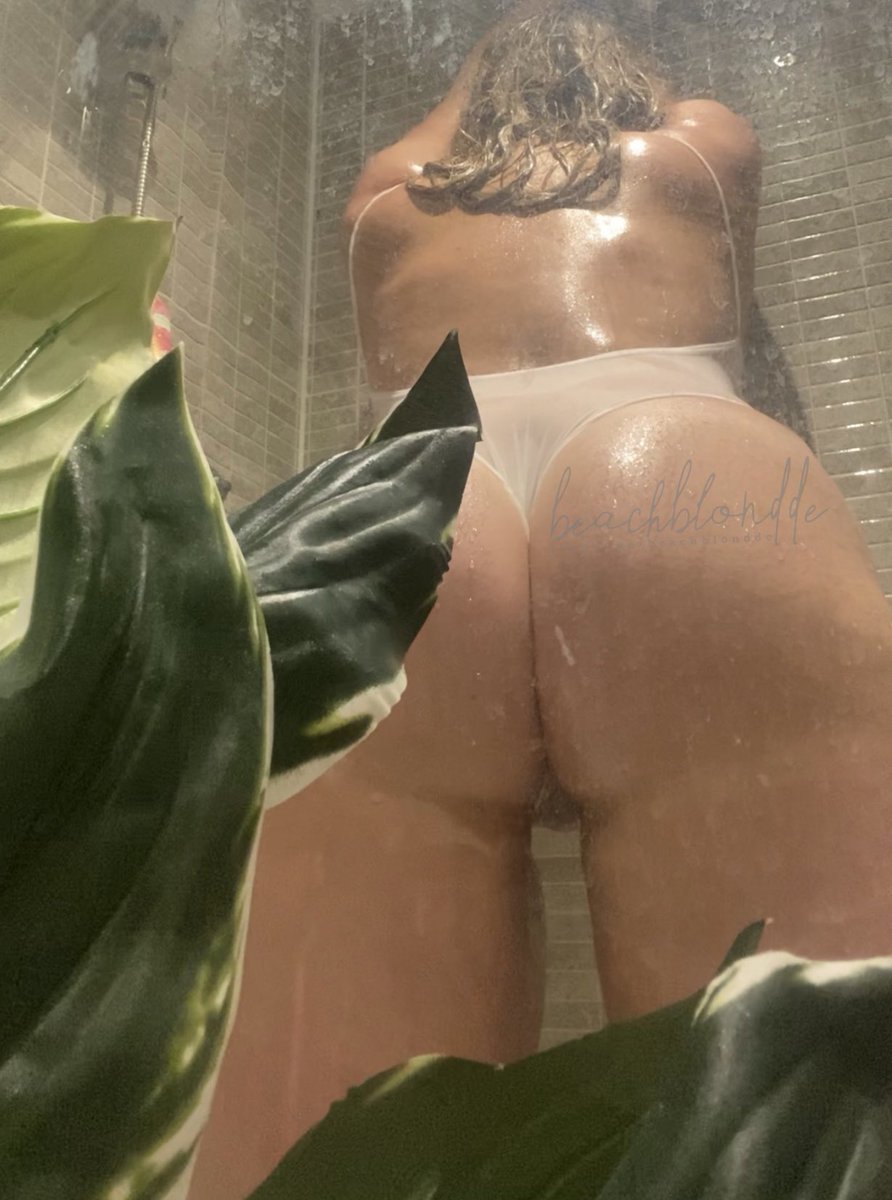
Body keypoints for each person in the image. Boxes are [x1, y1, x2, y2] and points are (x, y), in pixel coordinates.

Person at [191, 4, 892, 1195]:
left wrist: (491, 45)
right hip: (674, 466)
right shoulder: (700, 146)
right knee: (790, 1108)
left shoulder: (384, 194)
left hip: (415, 495)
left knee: (344, 1157)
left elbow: (384, 342)